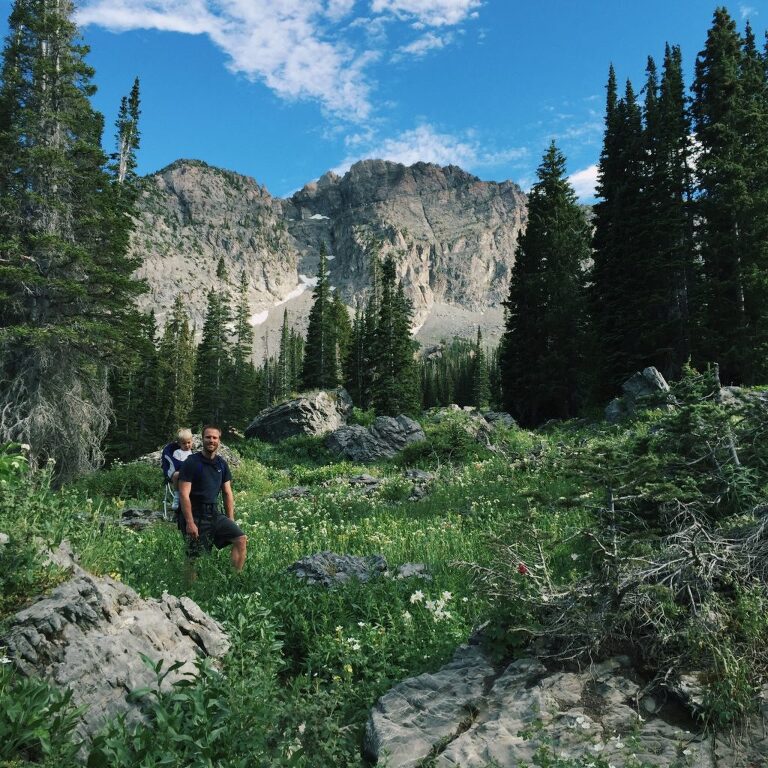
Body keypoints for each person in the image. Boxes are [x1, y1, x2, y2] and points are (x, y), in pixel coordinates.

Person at [177, 424, 247, 573]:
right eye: (208, 437)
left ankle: (234, 578)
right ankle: (189, 587)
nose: (211, 440)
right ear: (202, 439)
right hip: (195, 514)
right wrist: (190, 522)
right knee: (194, 558)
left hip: (214, 513)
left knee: (240, 539)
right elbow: (183, 494)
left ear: (219, 440)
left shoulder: (222, 463)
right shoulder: (192, 462)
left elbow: (227, 493)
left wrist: (230, 519)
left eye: (215, 438)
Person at [166, 428, 193, 511]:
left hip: (189, 473)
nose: (187, 445)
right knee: (176, 475)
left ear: (192, 442)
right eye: (184, 443)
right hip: (179, 472)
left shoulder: (191, 453)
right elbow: (175, 464)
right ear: (179, 444)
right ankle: (177, 495)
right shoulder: (177, 452)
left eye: (189, 442)